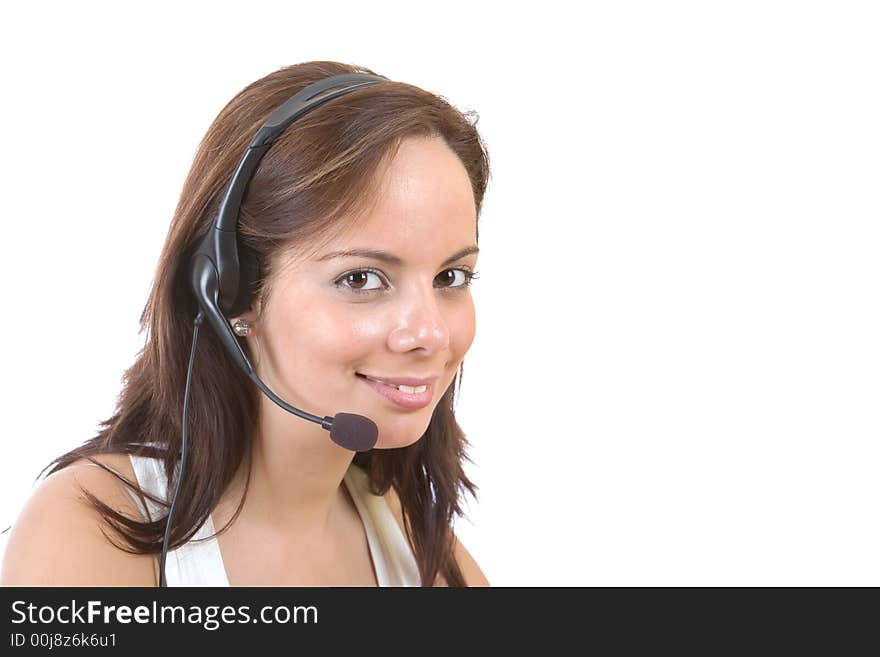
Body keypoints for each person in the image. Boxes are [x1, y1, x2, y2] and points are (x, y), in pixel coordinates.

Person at [0, 61, 491, 587]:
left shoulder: (414, 541)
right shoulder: (90, 531)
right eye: (361, 279)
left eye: (450, 277)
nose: (431, 334)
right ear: (230, 293)